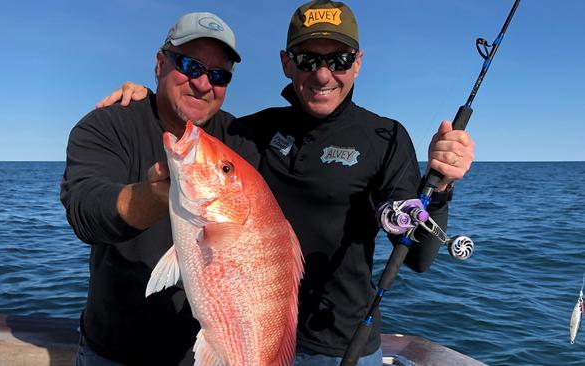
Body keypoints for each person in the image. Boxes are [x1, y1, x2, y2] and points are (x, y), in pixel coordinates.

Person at [100, 1, 475, 365]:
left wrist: (439, 187)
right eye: (308, 59)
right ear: (286, 63)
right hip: (247, 331)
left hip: (342, 347)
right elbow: (194, 116)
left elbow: (420, 258)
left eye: (339, 59)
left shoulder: (386, 137)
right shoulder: (252, 131)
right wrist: (147, 100)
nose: (323, 74)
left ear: (358, 63)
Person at [60, 12, 260, 365]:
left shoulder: (242, 142)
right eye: (189, 64)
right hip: (113, 352)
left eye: (219, 75)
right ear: (159, 64)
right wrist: (154, 196)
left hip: (209, 352)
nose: (202, 83)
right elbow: (85, 211)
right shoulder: (109, 125)